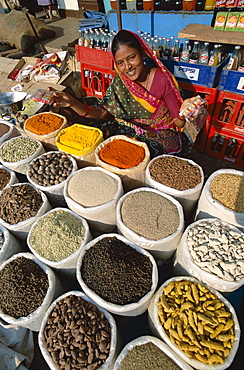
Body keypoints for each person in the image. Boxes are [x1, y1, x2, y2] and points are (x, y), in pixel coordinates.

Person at [49, 29, 195, 157]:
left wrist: (185, 110)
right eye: (120, 62)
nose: (128, 67)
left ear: (142, 54)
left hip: (159, 134)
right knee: (97, 137)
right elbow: (102, 114)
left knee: (149, 150)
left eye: (132, 58)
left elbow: (178, 122)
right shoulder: (121, 82)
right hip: (130, 127)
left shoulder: (162, 79)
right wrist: (72, 103)